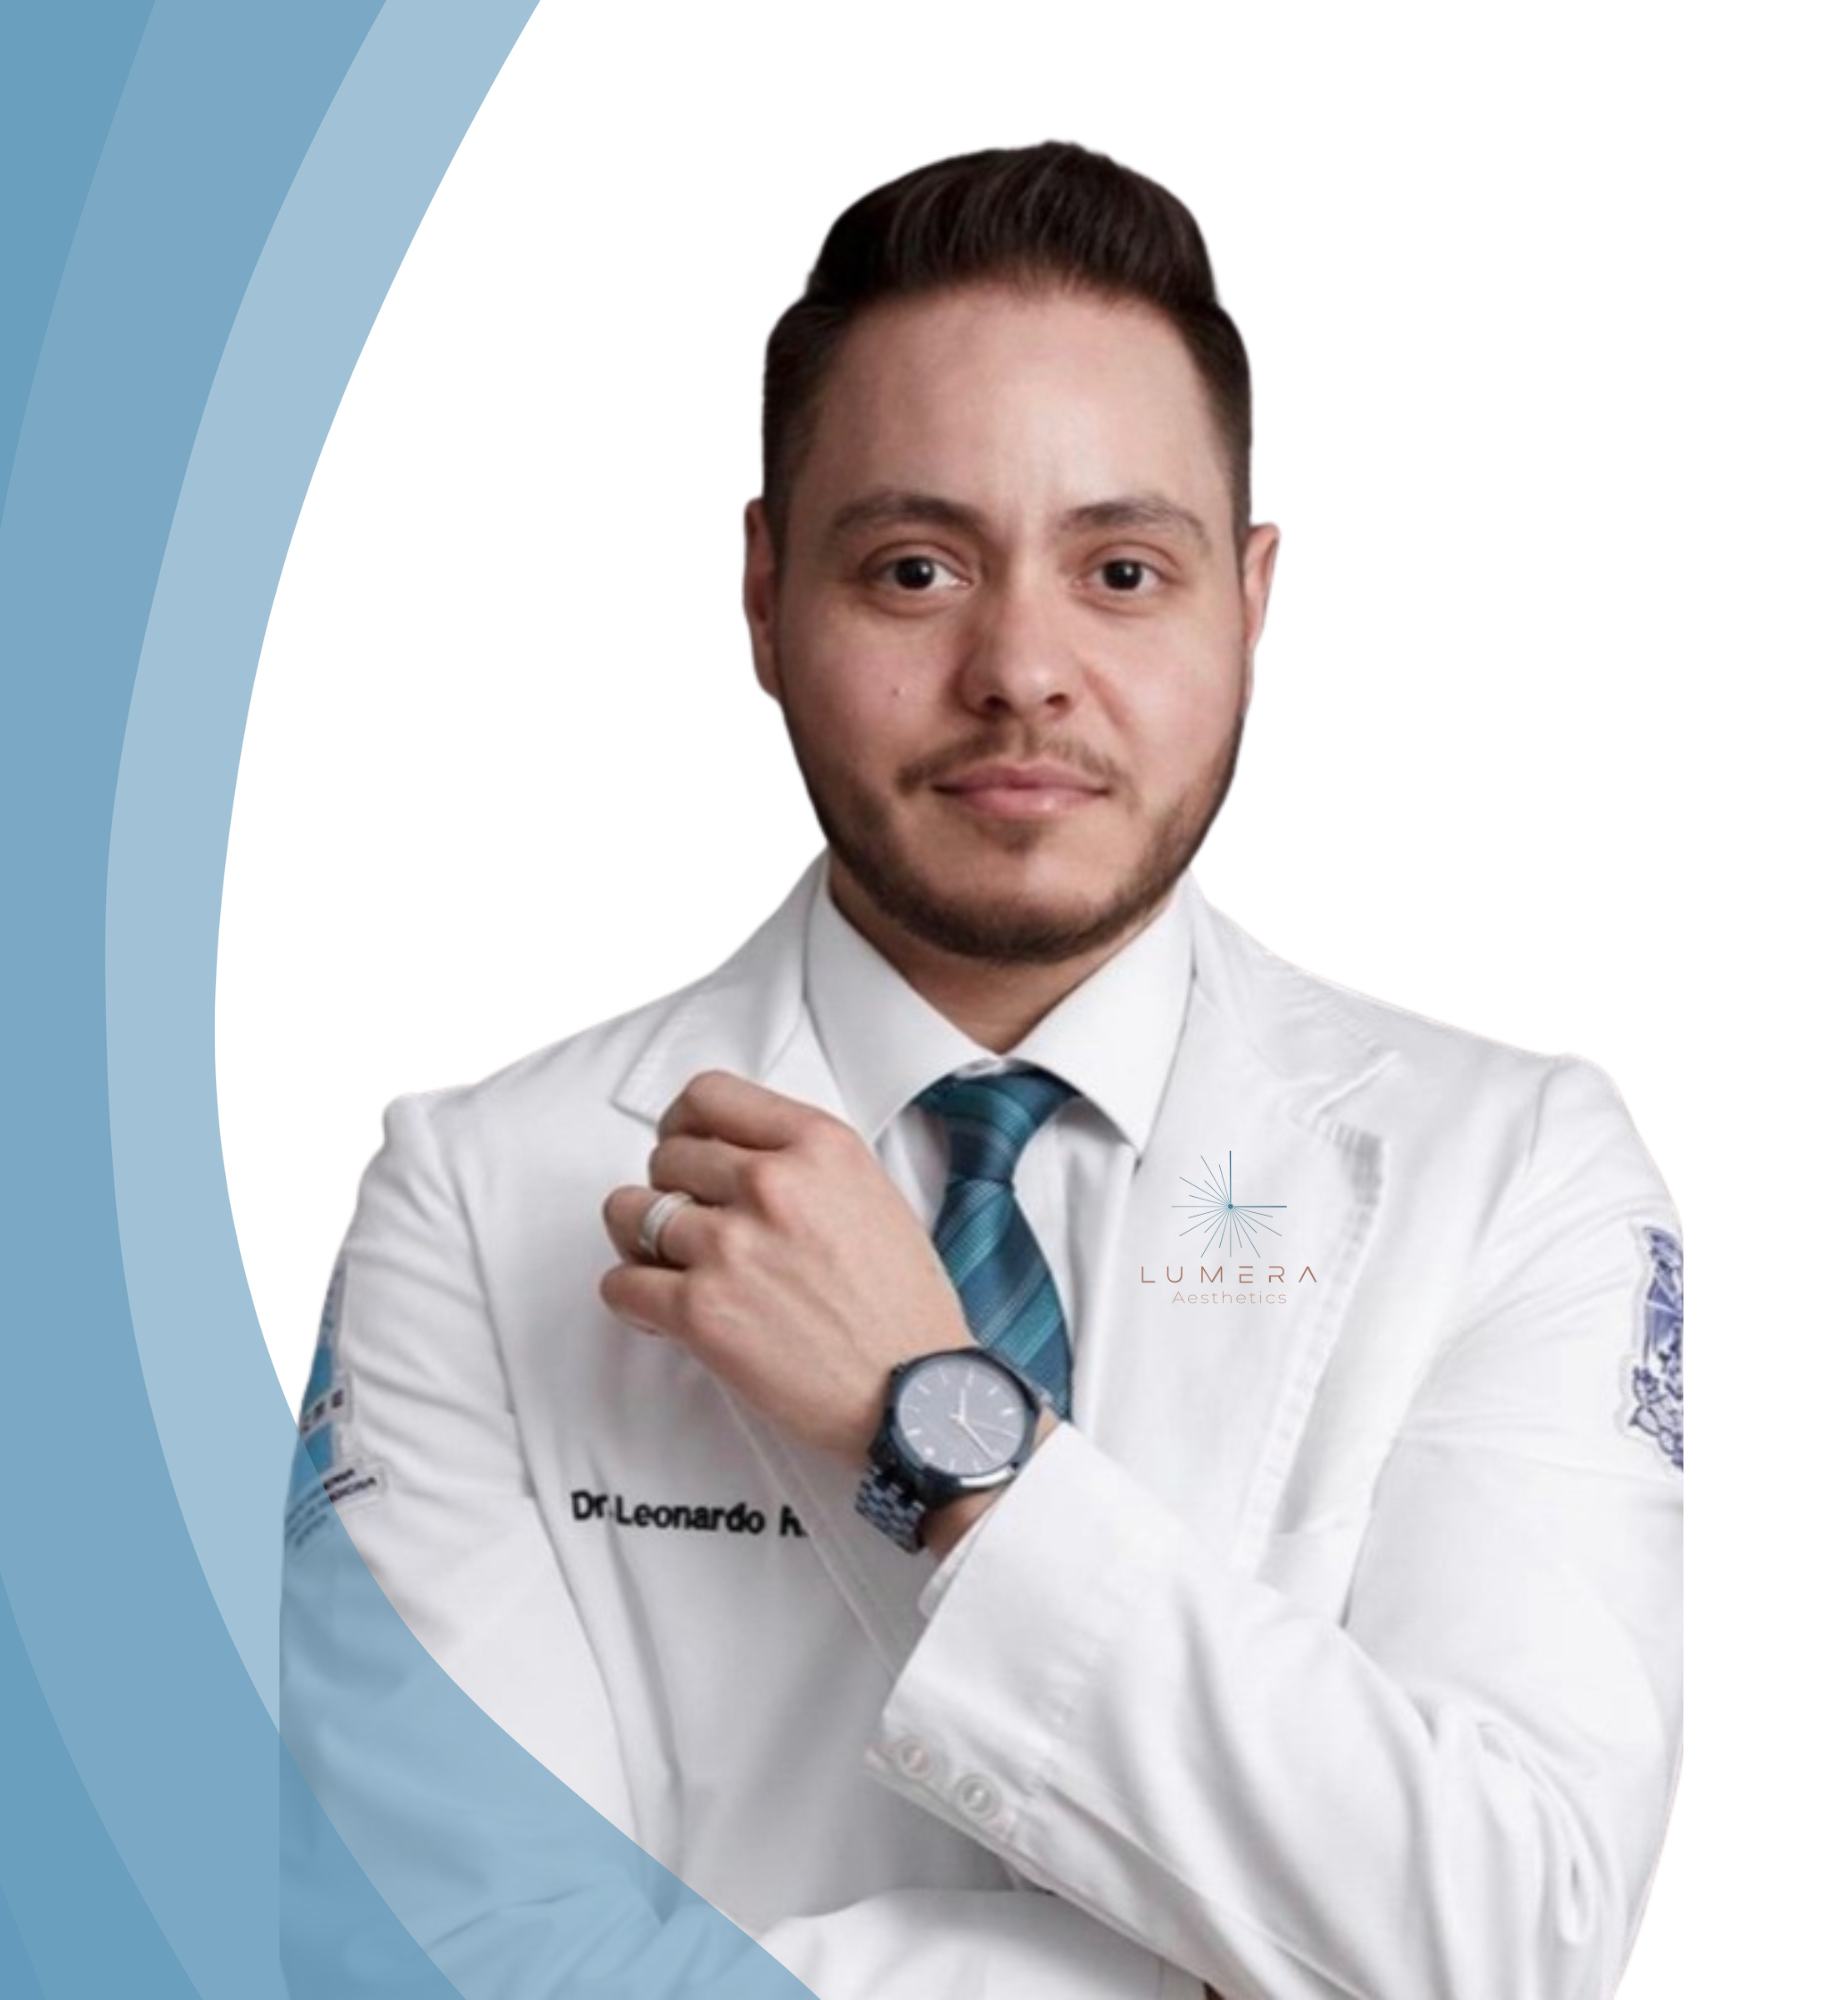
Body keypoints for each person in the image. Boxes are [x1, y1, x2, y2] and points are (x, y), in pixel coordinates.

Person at [280, 142, 1683, 2000]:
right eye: (916, 566)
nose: (1023, 670)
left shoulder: (1512, 1174)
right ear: (768, 595)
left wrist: (938, 1423)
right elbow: (431, 1956)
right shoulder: (480, 1200)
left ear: (1247, 604)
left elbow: (1516, 1926)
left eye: (1121, 568)